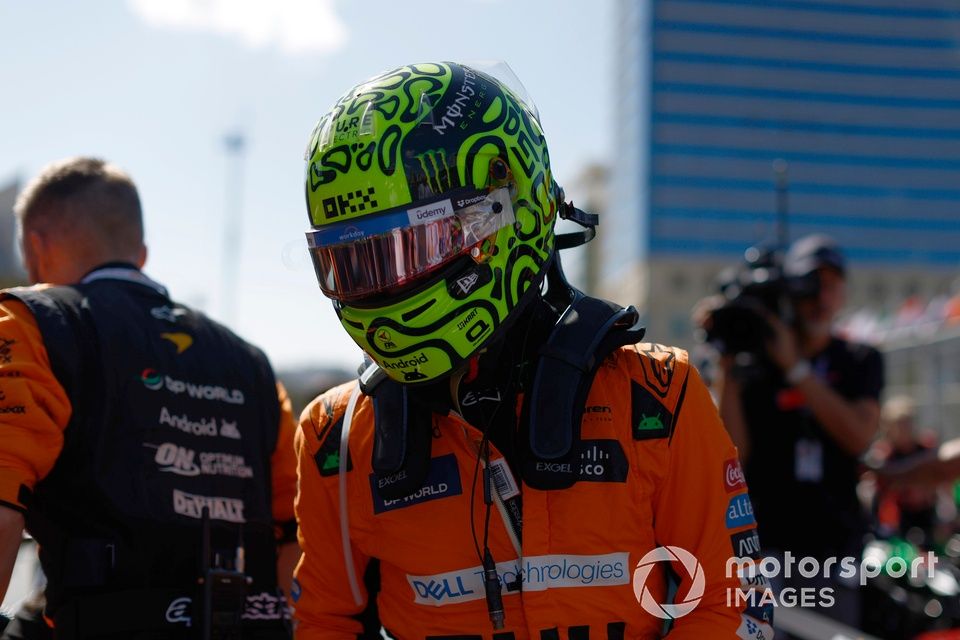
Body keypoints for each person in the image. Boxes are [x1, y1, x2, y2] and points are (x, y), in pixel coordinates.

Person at [291, 61, 771, 638]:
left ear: (502, 211)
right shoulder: (337, 438)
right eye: (356, 263)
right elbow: (322, 621)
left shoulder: (657, 398)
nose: (384, 286)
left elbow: (731, 604)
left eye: (406, 250)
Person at [0, 157, 297, 639]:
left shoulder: (34, 326)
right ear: (142, 252)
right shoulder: (252, 363)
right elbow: (294, 534)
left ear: (36, 247)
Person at [712, 234, 883, 631]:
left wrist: (797, 370)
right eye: (810, 285)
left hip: (832, 549)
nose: (820, 299)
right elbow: (732, 457)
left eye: (831, 286)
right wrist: (727, 369)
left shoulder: (859, 359)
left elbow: (860, 436)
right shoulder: (755, 362)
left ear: (843, 293)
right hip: (763, 548)